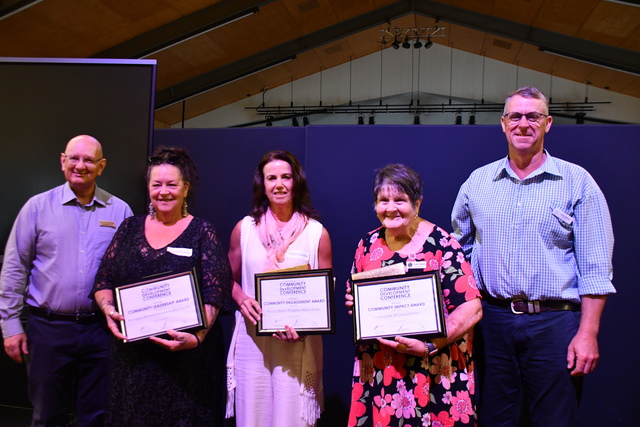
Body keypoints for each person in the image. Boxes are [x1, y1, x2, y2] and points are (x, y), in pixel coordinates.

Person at [451, 86, 616, 426]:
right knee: (495, 419)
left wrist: (587, 334)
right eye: (515, 116)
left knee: (555, 419)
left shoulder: (577, 182)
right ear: (503, 123)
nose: (523, 124)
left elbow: (596, 267)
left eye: (533, 116)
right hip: (492, 323)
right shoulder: (478, 183)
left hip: (554, 324)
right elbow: (456, 257)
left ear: (548, 123)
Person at [91, 147, 232, 426]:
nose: (163, 192)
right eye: (156, 184)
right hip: (133, 360)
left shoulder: (203, 231)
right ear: (148, 188)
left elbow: (214, 291)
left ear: (186, 188)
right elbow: (103, 279)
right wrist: (108, 310)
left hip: (188, 360)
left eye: (172, 184)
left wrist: (198, 337)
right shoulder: (129, 228)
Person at [0, 135, 132, 426]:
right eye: (74, 158)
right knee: (47, 416)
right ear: (63, 161)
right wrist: (10, 325)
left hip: (100, 331)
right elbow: (14, 267)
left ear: (101, 166)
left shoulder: (120, 211)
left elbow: (128, 271)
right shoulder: (37, 207)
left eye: (89, 160)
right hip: (48, 330)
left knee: (96, 417)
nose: (80, 165)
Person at [345, 164, 482, 427]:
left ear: (417, 203)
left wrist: (431, 345)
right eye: (383, 200)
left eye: (400, 200)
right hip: (381, 370)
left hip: (434, 369)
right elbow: (358, 295)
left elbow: (472, 309)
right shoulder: (367, 244)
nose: (390, 208)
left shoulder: (442, 244)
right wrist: (355, 303)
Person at [225, 150, 332, 427]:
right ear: (262, 184)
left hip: (297, 344)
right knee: (253, 416)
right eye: (271, 178)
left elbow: (325, 294)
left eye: (286, 177)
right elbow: (226, 278)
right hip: (252, 342)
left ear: (297, 181)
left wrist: (305, 327)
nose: (279, 184)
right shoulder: (244, 229)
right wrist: (241, 298)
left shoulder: (316, 233)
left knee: (292, 419)